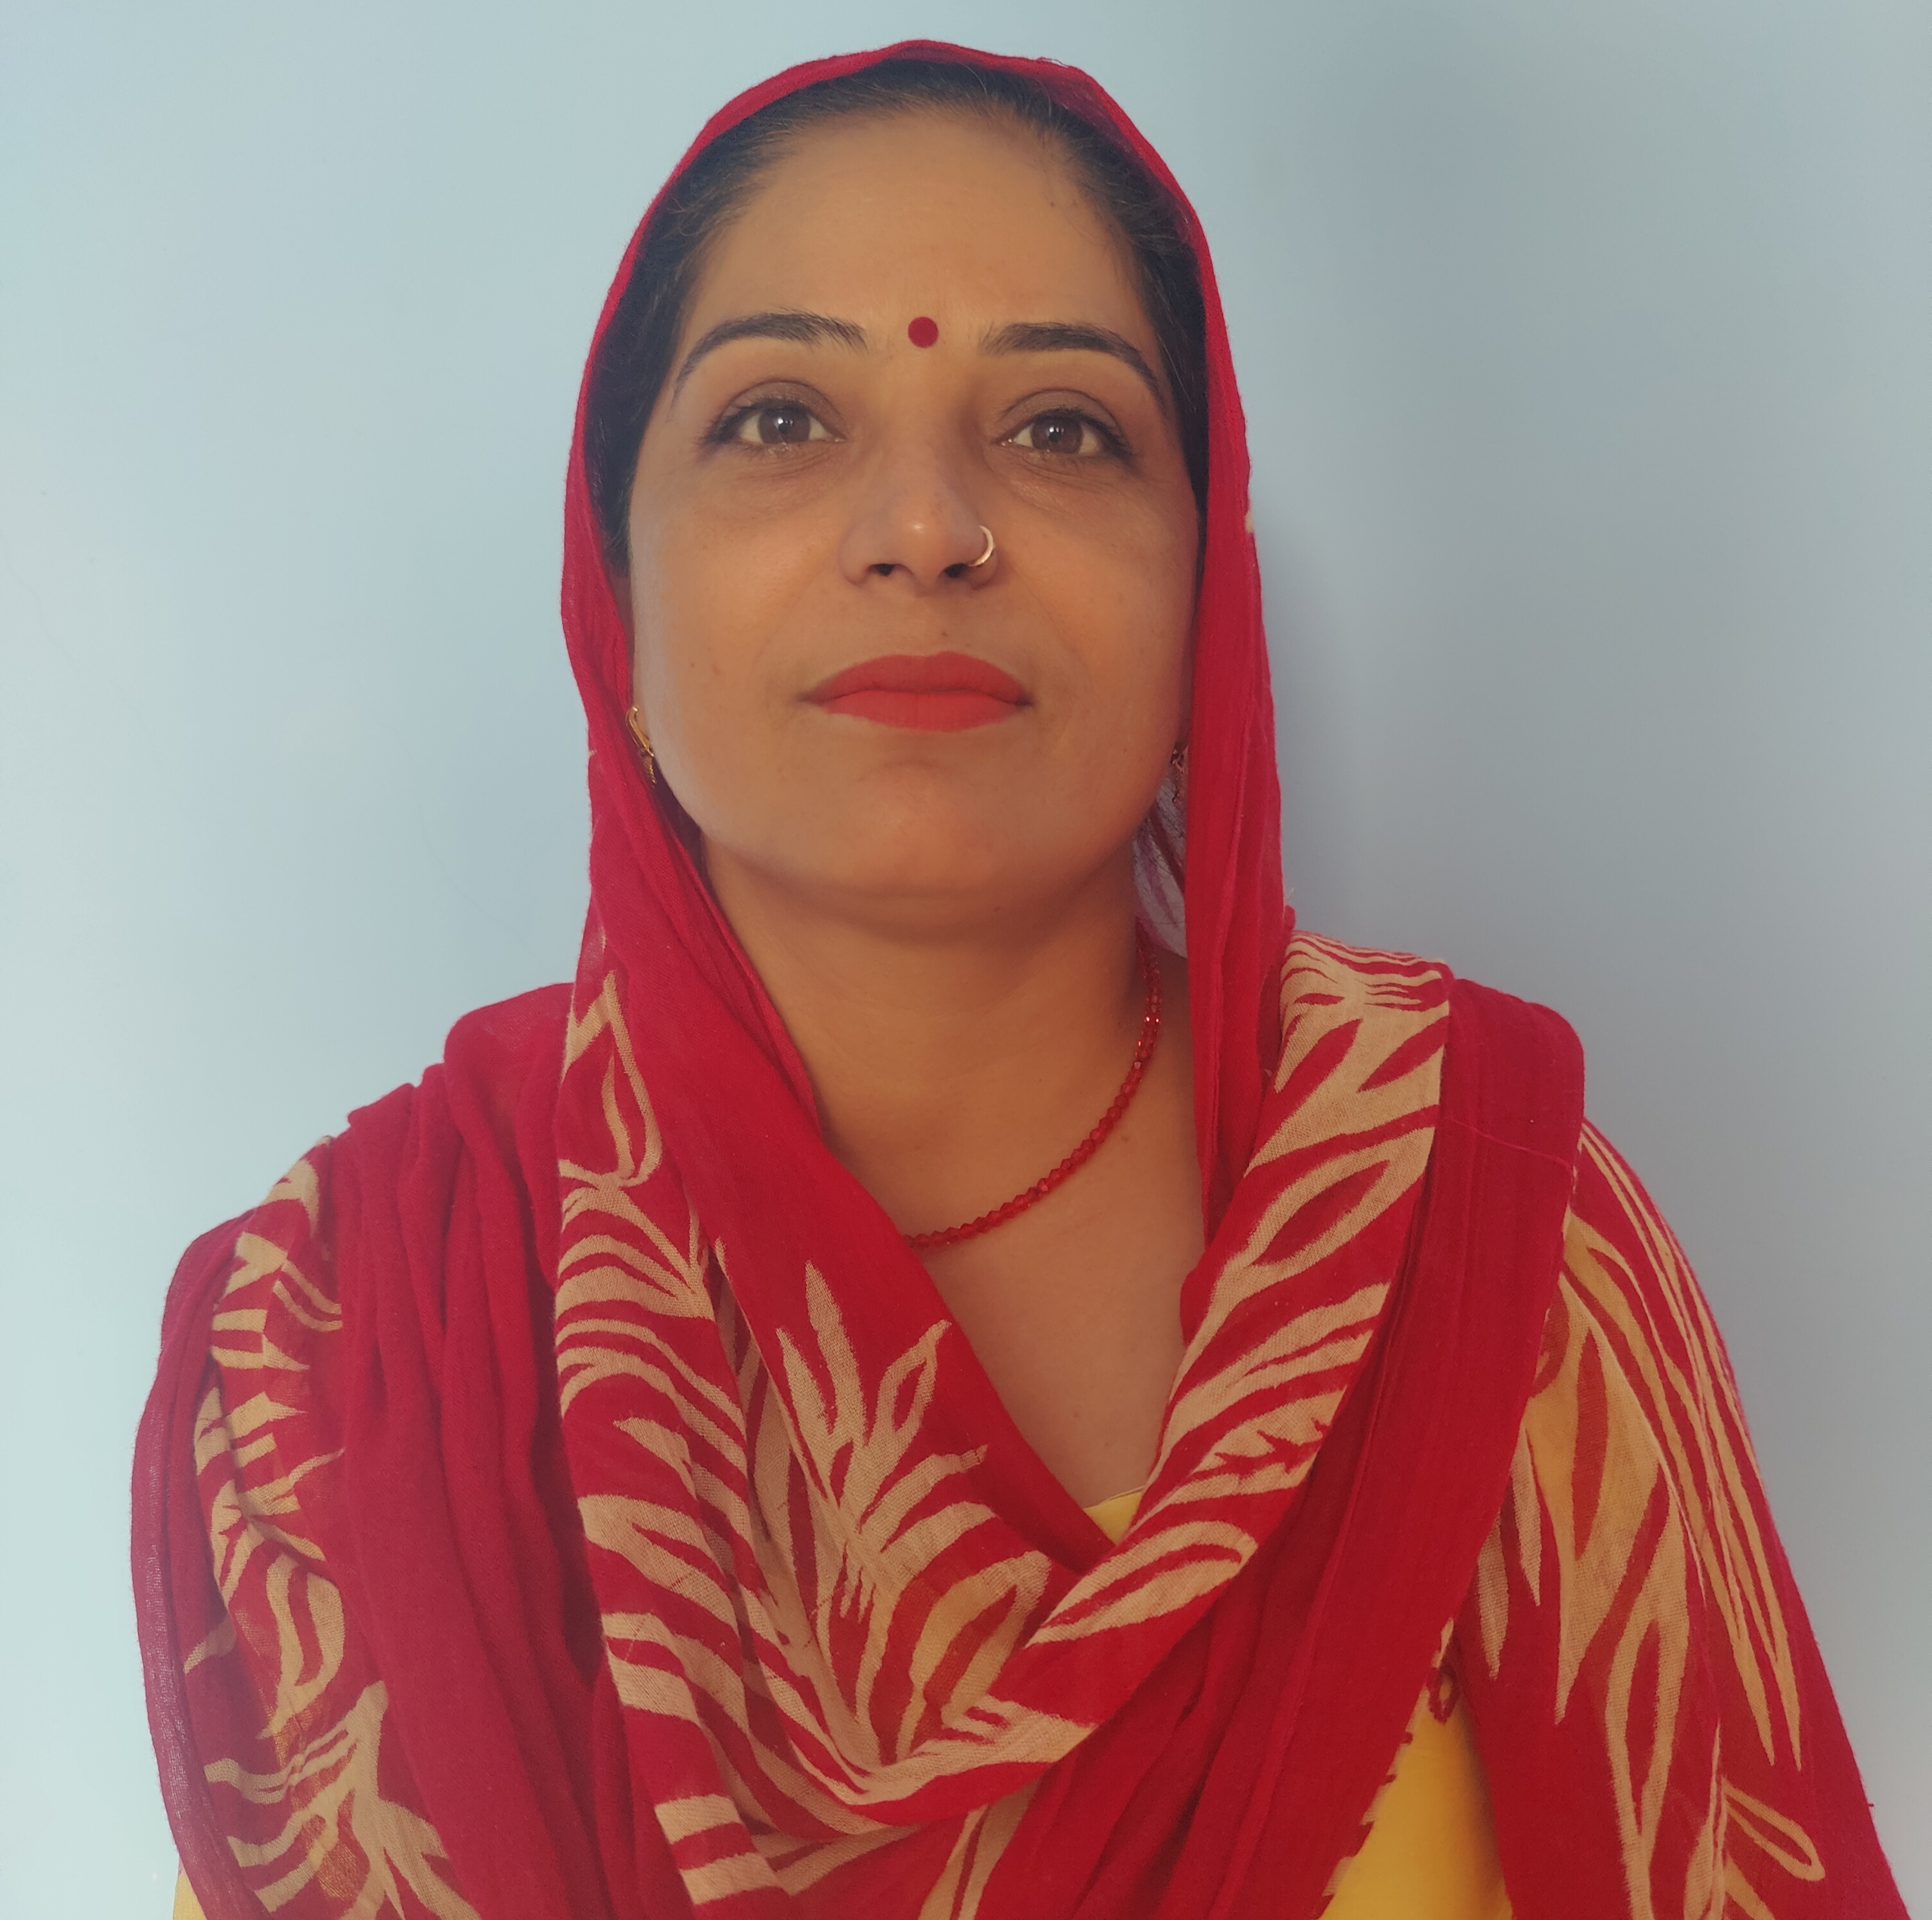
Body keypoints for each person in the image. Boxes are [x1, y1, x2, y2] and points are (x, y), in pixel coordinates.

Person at [136, 42, 1906, 1920]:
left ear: (1203, 603)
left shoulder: (1476, 1234)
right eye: (779, 418)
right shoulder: (352, 1338)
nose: (925, 527)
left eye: (1063, 429)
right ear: (618, 606)